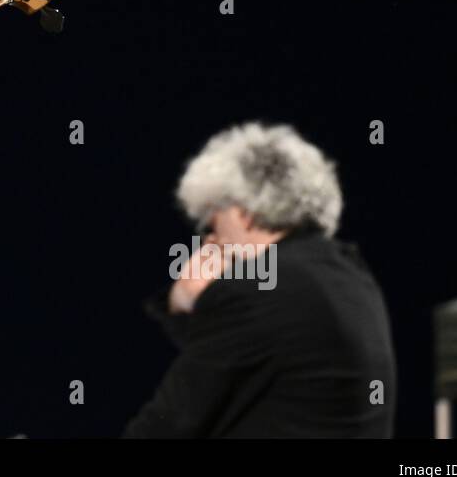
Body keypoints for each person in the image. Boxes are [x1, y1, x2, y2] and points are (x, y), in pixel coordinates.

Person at [124, 122, 396, 437]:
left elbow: (169, 424)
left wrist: (183, 301)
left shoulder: (258, 292)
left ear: (244, 214)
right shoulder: (351, 275)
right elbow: (243, 366)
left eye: (213, 220)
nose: (212, 239)